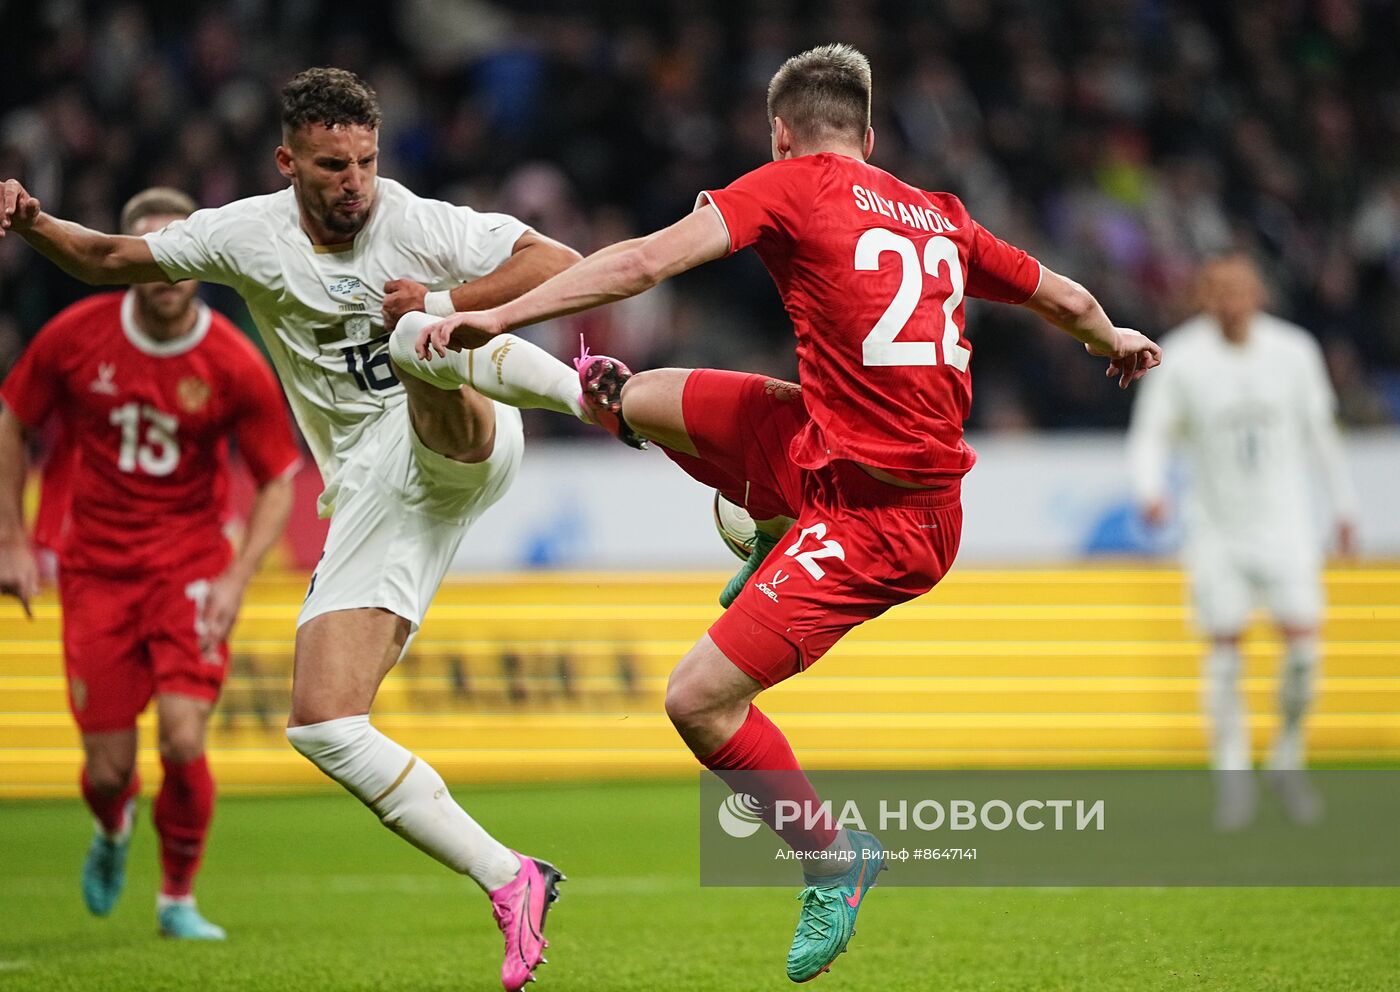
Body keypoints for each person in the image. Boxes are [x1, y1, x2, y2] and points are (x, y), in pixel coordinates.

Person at [408, 44, 1162, 982]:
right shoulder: (941, 215)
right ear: (871, 136)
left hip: (881, 520)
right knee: (633, 399)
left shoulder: (792, 185)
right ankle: (769, 530)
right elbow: (1070, 298)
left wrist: (493, 317)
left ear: (781, 134)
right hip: (828, 449)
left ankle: (831, 858)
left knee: (698, 701)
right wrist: (1117, 335)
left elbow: (643, 262)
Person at [0, 69, 590, 990]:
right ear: (289, 162)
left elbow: (556, 263)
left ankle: (606, 398)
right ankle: (510, 876)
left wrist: (443, 305)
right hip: (375, 490)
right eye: (331, 165)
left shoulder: (414, 219)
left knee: (414, 332)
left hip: (456, 434)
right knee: (324, 725)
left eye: (364, 160)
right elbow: (108, 259)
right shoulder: (246, 234)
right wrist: (34, 222)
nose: (354, 181)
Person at [0, 187, 300, 939]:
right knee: (106, 770)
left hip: (189, 569)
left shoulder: (234, 359)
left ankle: (177, 897)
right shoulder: (74, 337)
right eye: (149, 256)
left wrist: (235, 576)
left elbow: (278, 478)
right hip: (94, 570)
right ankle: (111, 830)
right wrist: (12, 538)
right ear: (126, 260)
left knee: (183, 738)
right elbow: (13, 419)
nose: (166, 273)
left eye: (179, 256)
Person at [1128, 253, 1358, 828]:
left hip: (1285, 526)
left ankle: (1286, 756)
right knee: (1225, 656)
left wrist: (1345, 506)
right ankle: (1233, 781)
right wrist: (1150, 488)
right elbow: (1151, 433)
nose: (1232, 301)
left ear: (1259, 294)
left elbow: (1322, 433)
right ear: (1205, 297)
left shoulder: (1294, 351)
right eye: (1220, 291)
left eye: (1241, 290)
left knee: (1304, 653)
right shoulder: (1181, 356)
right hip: (1217, 530)